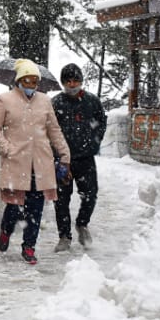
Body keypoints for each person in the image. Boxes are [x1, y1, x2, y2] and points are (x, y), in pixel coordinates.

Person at [0, 58, 70, 265]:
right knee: (14, 206)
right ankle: (6, 231)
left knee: (36, 209)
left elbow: (54, 130)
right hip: (16, 161)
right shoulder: (4, 100)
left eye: (35, 81)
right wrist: (6, 148)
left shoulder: (45, 101)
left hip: (41, 163)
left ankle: (29, 247)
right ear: (19, 80)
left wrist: (64, 155)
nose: (31, 85)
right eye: (28, 80)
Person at [51, 63, 106, 251]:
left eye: (76, 81)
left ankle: (82, 223)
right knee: (61, 199)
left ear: (81, 81)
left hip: (85, 158)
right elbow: (49, 130)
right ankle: (64, 236)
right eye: (68, 81)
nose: (72, 85)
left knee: (90, 195)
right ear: (63, 83)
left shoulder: (92, 101)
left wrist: (93, 143)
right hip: (62, 160)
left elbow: (100, 124)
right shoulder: (56, 103)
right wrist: (56, 155)